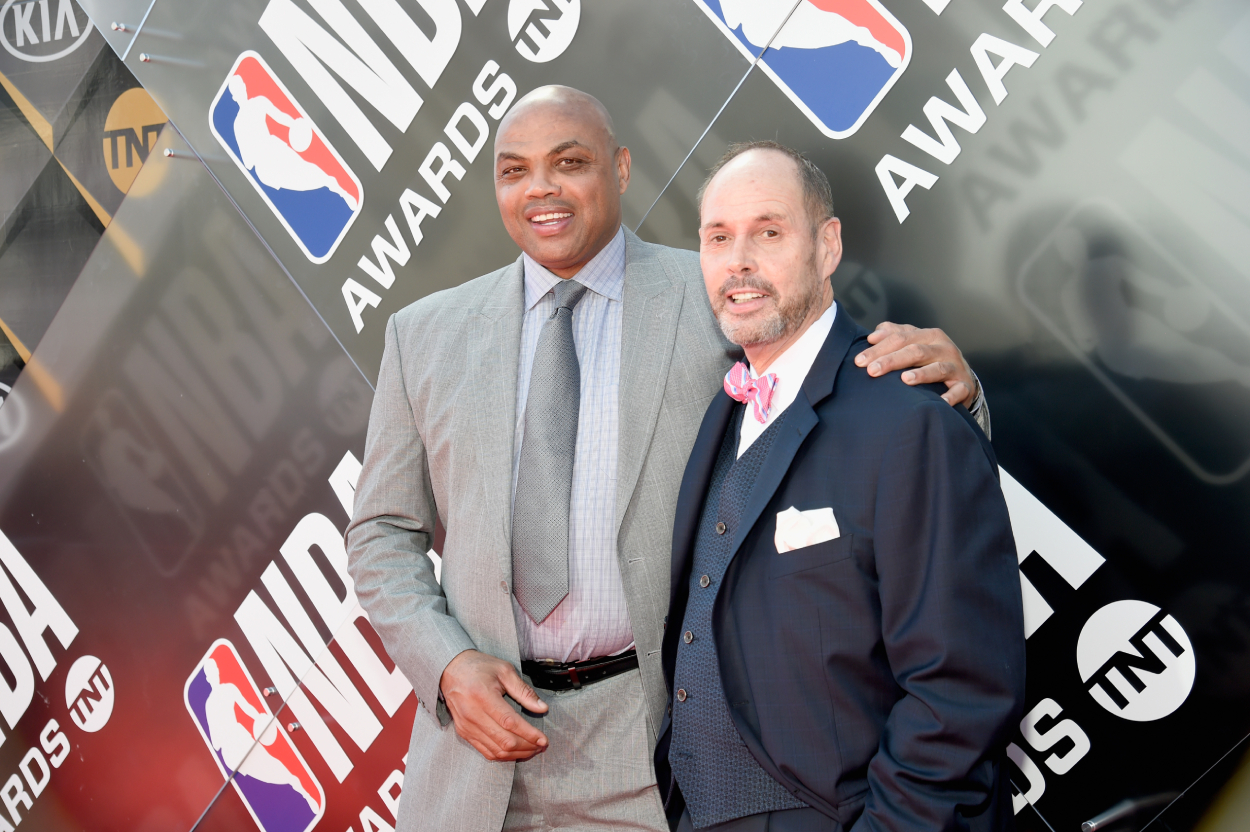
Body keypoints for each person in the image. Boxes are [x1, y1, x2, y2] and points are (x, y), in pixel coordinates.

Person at [346, 86, 992, 832]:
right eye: (514, 170)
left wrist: (959, 394)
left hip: (655, 755)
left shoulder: (721, 288)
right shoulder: (423, 335)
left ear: (620, 169)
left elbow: (846, 402)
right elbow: (380, 533)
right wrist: (448, 665)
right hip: (476, 757)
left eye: (570, 162)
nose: (542, 189)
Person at [654, 141, 1025, 832]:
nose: (738, 259)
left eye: (768, 232)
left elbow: (961, 689)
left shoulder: (910, 418)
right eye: (718, 238)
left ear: (827, 247)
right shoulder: (714, 418)